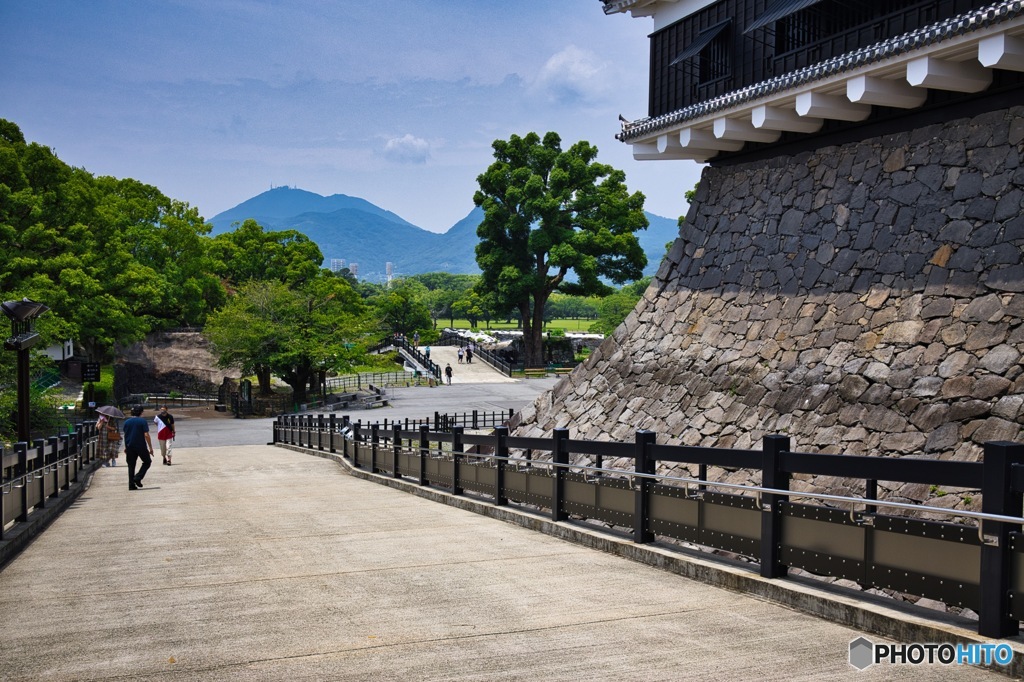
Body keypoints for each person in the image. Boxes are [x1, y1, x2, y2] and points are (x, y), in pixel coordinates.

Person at [122, 405, 154, 491]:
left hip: (129, 446)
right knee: (147, 461)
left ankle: (131, 485)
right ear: (140, 412)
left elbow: (126, 435)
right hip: (140, 445)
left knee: (131, 465)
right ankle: (137, 477)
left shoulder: (127, 422)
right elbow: (146, 435)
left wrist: (126, 446)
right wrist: (150, 447)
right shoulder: (142, 421)